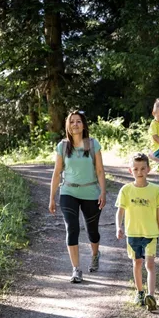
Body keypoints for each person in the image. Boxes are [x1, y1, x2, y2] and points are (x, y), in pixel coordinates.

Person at [49, 110, 106, 283]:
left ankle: (95, 254)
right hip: (68, 192)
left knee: (92, 231)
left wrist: (103, 191)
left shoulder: (93, 144)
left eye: (78, 121)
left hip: (90, 192)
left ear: (83, 125)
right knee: (72, 228)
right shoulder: (63, 146)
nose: (75, 124)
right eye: (72, 122)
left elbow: (100, 170)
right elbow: (57, 172)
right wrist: (51, 197)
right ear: (68, 125)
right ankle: (76, 269)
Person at [115, 153, 159, 311]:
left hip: (150, 233)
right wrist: (119, 226)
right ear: (131, 171)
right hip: (133, 233)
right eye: (136, 169)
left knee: (150, 264)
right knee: (137, 263)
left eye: (143, 168)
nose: (140, 172)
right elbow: (120, 211)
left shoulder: (155, 190)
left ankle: (151, 296)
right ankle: (140, 292)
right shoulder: (126, 190)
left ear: (148, 169)